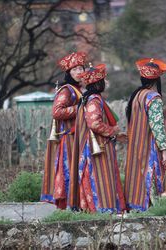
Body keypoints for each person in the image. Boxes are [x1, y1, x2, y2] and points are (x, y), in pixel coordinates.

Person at [69, 63, 126, 213]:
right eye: (104, 81)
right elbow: (94, 123)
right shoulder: (94, 99)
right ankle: (102, 209)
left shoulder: (90, 98)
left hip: (96, 143)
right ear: (99, 83)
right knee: (100, 176)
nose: (106, 83)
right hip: (97, 146)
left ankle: (97, 208)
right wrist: (112, 131)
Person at [124, 57, 166, 211]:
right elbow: (158, 126)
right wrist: (165, 151)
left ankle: (138, 207)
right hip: (150, 147)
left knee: (139, 177)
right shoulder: (153, 98)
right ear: (157, 79)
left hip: (137, 146)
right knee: (156, 176)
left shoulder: (136, 97)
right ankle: (158, 208)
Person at [41, 51, 87, 209]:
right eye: (74, 70)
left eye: (81, 69)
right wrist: (79, 108)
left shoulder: (80, 90)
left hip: (78, 137)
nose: (79, 72)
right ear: (69, 73)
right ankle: (68, 206)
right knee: (68, 171)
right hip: (68, 138)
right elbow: (57, 111)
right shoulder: (67, 90)